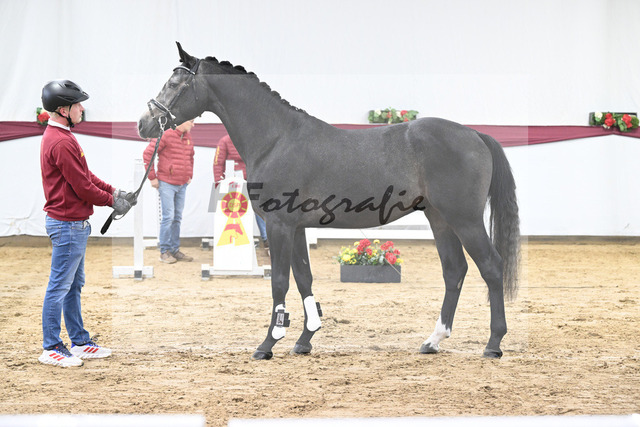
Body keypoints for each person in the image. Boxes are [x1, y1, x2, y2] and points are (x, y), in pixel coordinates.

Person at [39, 79, 133, 367]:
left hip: (72, 224)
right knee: (59, 287)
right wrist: (112, 201)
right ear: (63, 110)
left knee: (72, 287)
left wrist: (115, 192)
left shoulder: (63, 136)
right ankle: (51, 347)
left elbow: (85, 175)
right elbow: (82, 187)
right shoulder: (61, 141)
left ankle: (79, 342)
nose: (82, 109)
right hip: (67, 225)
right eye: (78, 105)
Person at [143, 119, 195, 263]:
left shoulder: (187, 137)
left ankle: (174, 250)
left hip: (182, 184)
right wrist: (152, 177)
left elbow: (191, 157)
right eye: (191, 121)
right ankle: (164, 251)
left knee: (177, 218)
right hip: (167, 183)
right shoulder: (165, 134)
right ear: (183, 121)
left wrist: (189, 175)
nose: (193, 124)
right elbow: (148, 153)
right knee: (169, 217)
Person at [213, 134, 268, 248]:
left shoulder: (251, 139)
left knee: (260, 210)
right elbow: (218, 163)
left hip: (253, 180)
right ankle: (236, 241)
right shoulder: (225, 141)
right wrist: (219, 183)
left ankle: (267, 239)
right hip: (234, 184)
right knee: (236, 213)